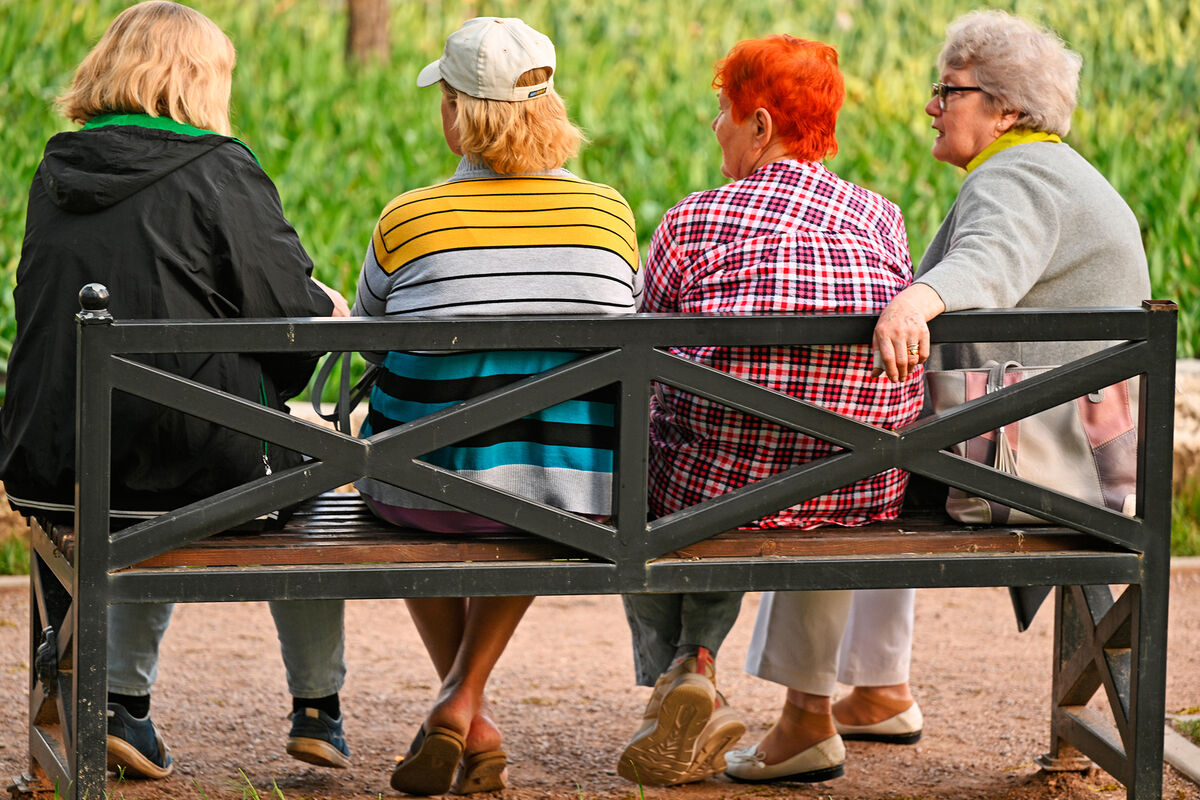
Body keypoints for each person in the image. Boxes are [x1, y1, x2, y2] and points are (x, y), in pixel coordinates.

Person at [739, 8, 1151, 784]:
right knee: (876, 450)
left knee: (833, 470)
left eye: (948, 91)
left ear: (1004, 109)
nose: (932, 106)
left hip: (1035, 469)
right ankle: (880, 688)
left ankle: (803, 719)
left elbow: (990, 263)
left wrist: (914, 301)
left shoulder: (1020, 175)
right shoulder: (1056, 170)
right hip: (1075, 454)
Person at [0, 1, 353, 780]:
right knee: (315, 463)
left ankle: (116, 704)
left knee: (148, 454)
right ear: (197, 80)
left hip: (57, 467)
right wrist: (325, 306)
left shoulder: (57, 167)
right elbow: (289, 325)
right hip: (186, 471)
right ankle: (318, 708)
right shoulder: (220, 166)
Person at [617, 35, 922, 787]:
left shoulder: (693, 220)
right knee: (723, 458)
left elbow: (639, 355)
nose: (714, 127)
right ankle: (693, 676)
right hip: (857, 487)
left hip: (714, 490)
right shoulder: (880, 216)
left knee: (654, 462)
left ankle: (685, 673)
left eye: (721, 112)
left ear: (759, 124)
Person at [351, 16, 640, 796]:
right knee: (529, 476)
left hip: (418, 491)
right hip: (571, 492)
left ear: (456, 112)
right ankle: (465, 708)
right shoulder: (608, 215)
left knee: (421, 460)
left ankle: (458, 701)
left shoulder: (407, 219)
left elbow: (372, 343)